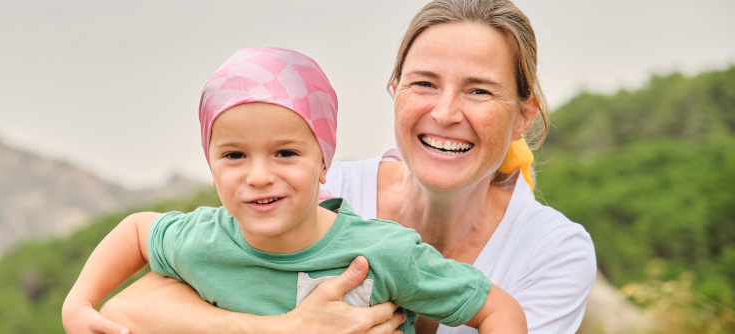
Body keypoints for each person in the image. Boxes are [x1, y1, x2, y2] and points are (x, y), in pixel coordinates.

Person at [98, 1, 597, 333]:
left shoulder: (553, 251)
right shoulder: (315, 190)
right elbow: (125, 311)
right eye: (424, 83)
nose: (445, 113)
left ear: (522, 117)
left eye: (479, 90)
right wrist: (288, 327)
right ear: (395, 91)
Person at [62, 47, 528, 334]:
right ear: (210, 167)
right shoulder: (201, 239)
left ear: (324, 162)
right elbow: (137, 231)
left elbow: (497, 309)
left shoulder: (382, 252)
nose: (259, 176)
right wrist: (78, 303)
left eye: (285, 153)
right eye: (234, 156)